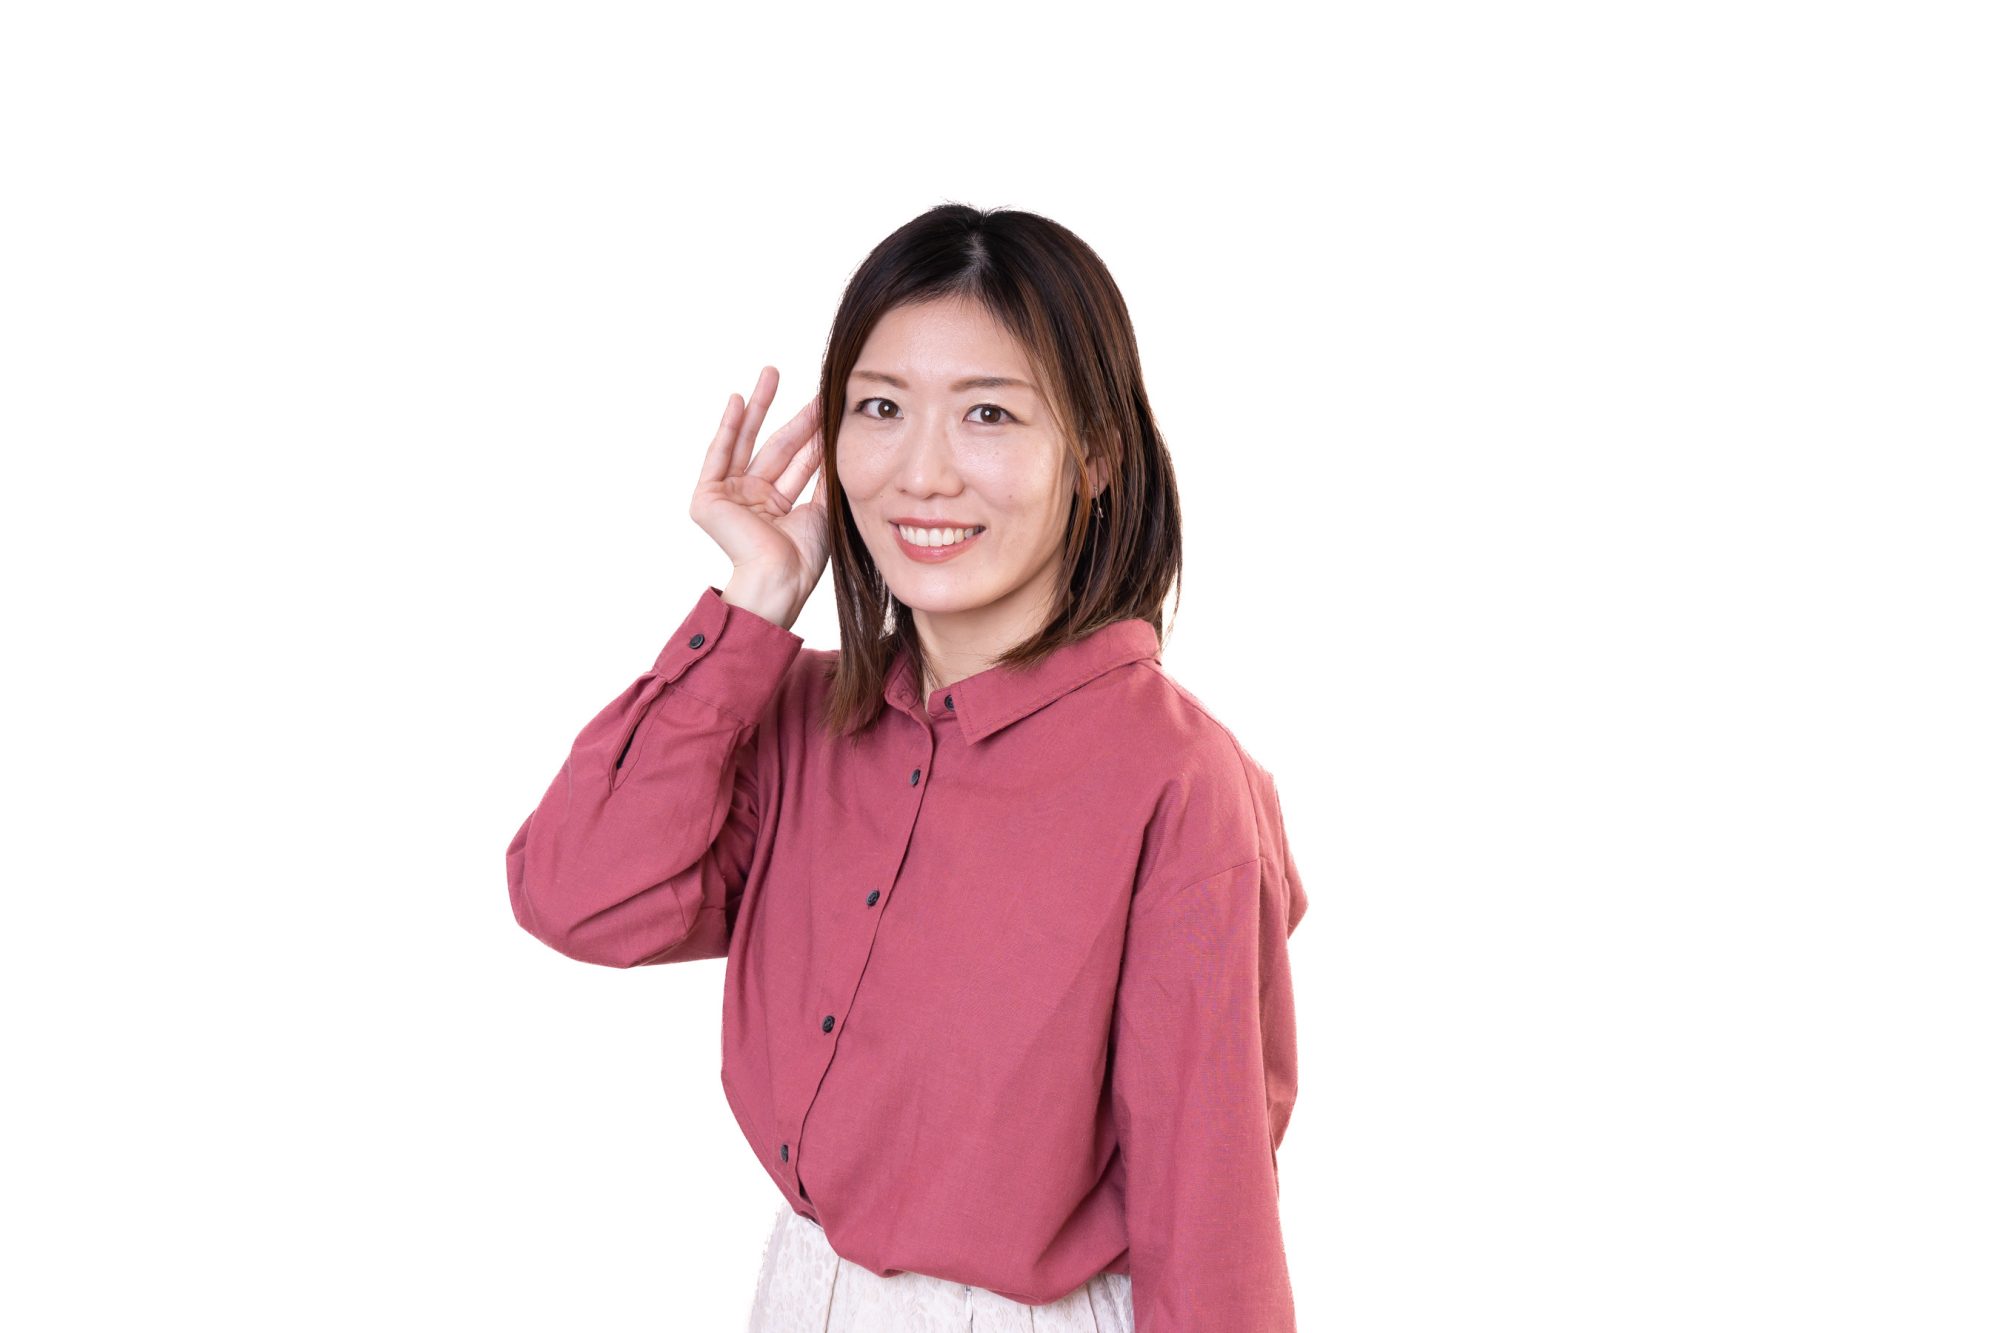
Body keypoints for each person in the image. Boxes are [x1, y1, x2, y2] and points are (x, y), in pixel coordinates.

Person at [506, 203, 1309, 1332]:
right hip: (800, 1291)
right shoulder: (795, 715)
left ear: (1092, 454)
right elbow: (577, 897)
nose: (922, 473)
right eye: (880, 408)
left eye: (988, 413)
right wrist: (753, 604)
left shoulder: (1179, 784)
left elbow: (1209, 1215)